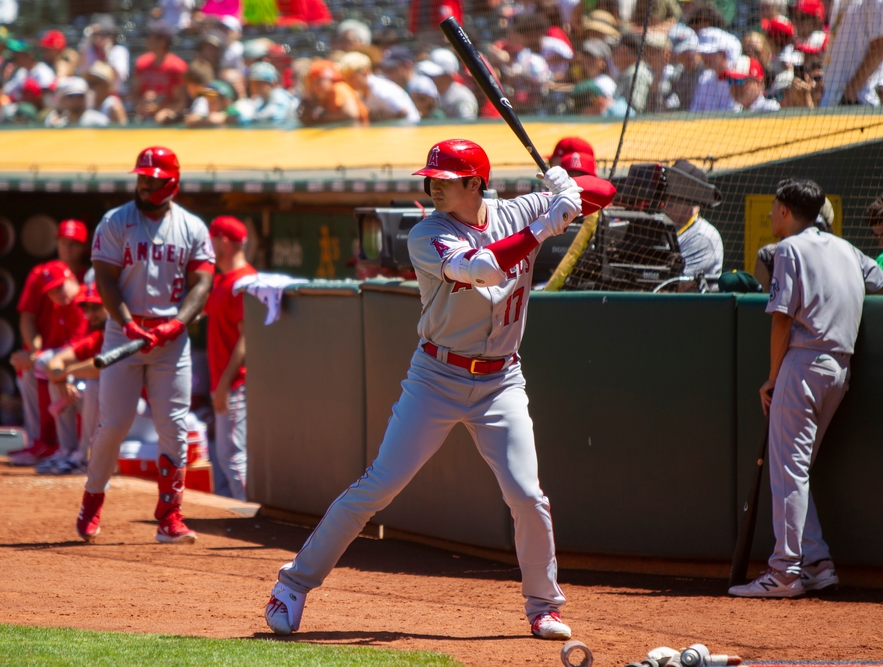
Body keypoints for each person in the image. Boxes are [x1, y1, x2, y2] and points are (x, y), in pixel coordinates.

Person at [263, 138, 616, 640]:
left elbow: (606, 190)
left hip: (501, 379)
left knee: (527, 495)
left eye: (445, 181)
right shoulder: (427, 232)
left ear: (475, 183)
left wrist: (569, 186)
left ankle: (544, 606)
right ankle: (293, 585)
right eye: (431, 180)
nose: (433, 187)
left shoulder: (515, 209)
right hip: (437, 376)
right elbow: (483, 268)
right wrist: (546, 223)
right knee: (379, 485)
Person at [729, 178, 883, 597]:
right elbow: (879, 279)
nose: (771, 215)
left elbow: (781, 318)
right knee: (796, 471)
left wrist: (774, 378)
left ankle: (784, 571)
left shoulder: (789, 249)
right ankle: (817, 563)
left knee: (790, 471)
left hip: (803, 364)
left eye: (775, 208)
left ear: (784, 211)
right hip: (839, 370)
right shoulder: (848, 249)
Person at [76, 146, 215, 545]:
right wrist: (126, 323)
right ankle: (92, 499)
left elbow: (202, 283)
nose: (144, 185)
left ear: (171, 183)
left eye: (152, 180)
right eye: (141, 178)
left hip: (170, 339)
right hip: (125, 333)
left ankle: (169, 516)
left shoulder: (191, 227)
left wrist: (177, 323)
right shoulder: (115, 221)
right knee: (113, 425)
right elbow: (104, 278)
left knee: (173, 427)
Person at [8, 259, 88, 465]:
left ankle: (69, 448)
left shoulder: (84, 299)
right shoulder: (60, 306)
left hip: (98, 370)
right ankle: (59, 446)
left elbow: (79, 348)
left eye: (61, 286)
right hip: (77, 370)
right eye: (52, 291)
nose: (57, 294)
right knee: (42, 370)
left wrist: (36, 358)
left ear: (72, 278)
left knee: (45, 364)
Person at [205, 216, 256, 500]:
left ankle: (254, 517)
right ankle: (242, 515)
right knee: (226, 457)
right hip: (225, 382)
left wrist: (224, 384)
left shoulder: (244, 281)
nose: (208, 246)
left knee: (234, 458)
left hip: (236, 382)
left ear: (223, 242)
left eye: (211, 240)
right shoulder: (221, 280)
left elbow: (247, 339)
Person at [37, 278, 107, 475]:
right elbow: (54, 362)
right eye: (86, 309)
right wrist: (62, 379)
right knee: (57, 382)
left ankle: (87, 457)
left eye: (96, 307)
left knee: (93, 384)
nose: (89, 314)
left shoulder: (121, 334)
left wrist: (66, 373)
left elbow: (101, 367)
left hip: (142, 415)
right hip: (117, 415)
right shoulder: (97, 337)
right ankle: (68, 451)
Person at [662, 160, 724, 284]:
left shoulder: (704, 237)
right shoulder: (664, 226)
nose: (668, 195)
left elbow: (676, 287)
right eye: (668, 186)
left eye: (676, 189)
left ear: (692, 196)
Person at [820, 0, 883, 106]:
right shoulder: (838, 3)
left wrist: (849, 94)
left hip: (856, 103)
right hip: (832, 101)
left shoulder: (873, 2)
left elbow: (879, 48)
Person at [339, 51, 419, 124]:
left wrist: (383, 118)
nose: (348, 81)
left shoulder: (380, 89)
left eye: (351, 77)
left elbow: (404, 112)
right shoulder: (359, 91)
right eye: (345, 77)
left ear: (365, 72)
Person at [133, 21, 188, 120]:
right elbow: (133, 93)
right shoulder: (142, 62)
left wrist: (157, 108)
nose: (147, 40)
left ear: (162, 42)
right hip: (143, 116)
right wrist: (141, 102)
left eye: (151, 37)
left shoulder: (176, 67)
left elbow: (180, 102)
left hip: (167, 118)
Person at [299, 59, 368, 126]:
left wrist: (323, 116)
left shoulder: (340, 88)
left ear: (330, 79)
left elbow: (351, 114)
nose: (315, 87)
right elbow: (307, 118)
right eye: (312, 83)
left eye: (319, 82)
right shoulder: (322, 96)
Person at [690, 27, 740, 111]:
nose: (705, 57)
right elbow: (695, 110)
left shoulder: (738, 77)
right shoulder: (705, 79)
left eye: (710, 53)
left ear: (723, 54)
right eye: (703, 53)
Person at [76, 14, 130, 93]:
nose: (99, 38)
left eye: (103, 34)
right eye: (96, 34)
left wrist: (108, 55)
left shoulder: (119, 51)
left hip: (114, 94)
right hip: (93, 94)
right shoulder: (89, 51)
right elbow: (81, 71)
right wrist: (87, 39)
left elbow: (120, 76)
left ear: (112, 36)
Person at [45, 77, 109, 127]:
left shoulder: (99, 122)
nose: (76, 99)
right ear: (63, 99)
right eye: (71, 96)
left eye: (80, 96)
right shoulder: (58, 124)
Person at [85, 60, 127, 125]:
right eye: (89, 82)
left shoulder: (113, 107)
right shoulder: (89, 104)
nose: (91, 86)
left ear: (106, 85)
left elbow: (121, 133)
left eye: (95, 83)